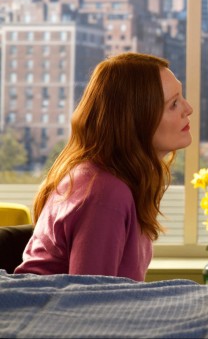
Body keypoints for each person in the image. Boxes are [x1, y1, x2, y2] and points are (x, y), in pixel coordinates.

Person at [15, 53, 193, 281]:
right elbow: (91, 304)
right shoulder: (105, 194)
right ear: (136, 119)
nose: (188, 109)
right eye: (174, 104)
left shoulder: (116, 180)